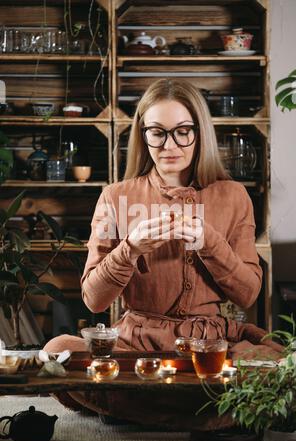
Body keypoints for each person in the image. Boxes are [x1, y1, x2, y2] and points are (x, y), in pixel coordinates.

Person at [45, 78, 281, 358]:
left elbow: (248, 294)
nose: (170, 145)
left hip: (210, 344)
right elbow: (94, 301)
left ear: (200, 132)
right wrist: (130, 248)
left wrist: (208, 242)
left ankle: (151, 394)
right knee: (58, 350)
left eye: (182, 131)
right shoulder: (114, 196)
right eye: (157, 132)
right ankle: (188, 393)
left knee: (270, 359)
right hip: (135, 344)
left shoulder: (234, 196)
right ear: (143, 135)